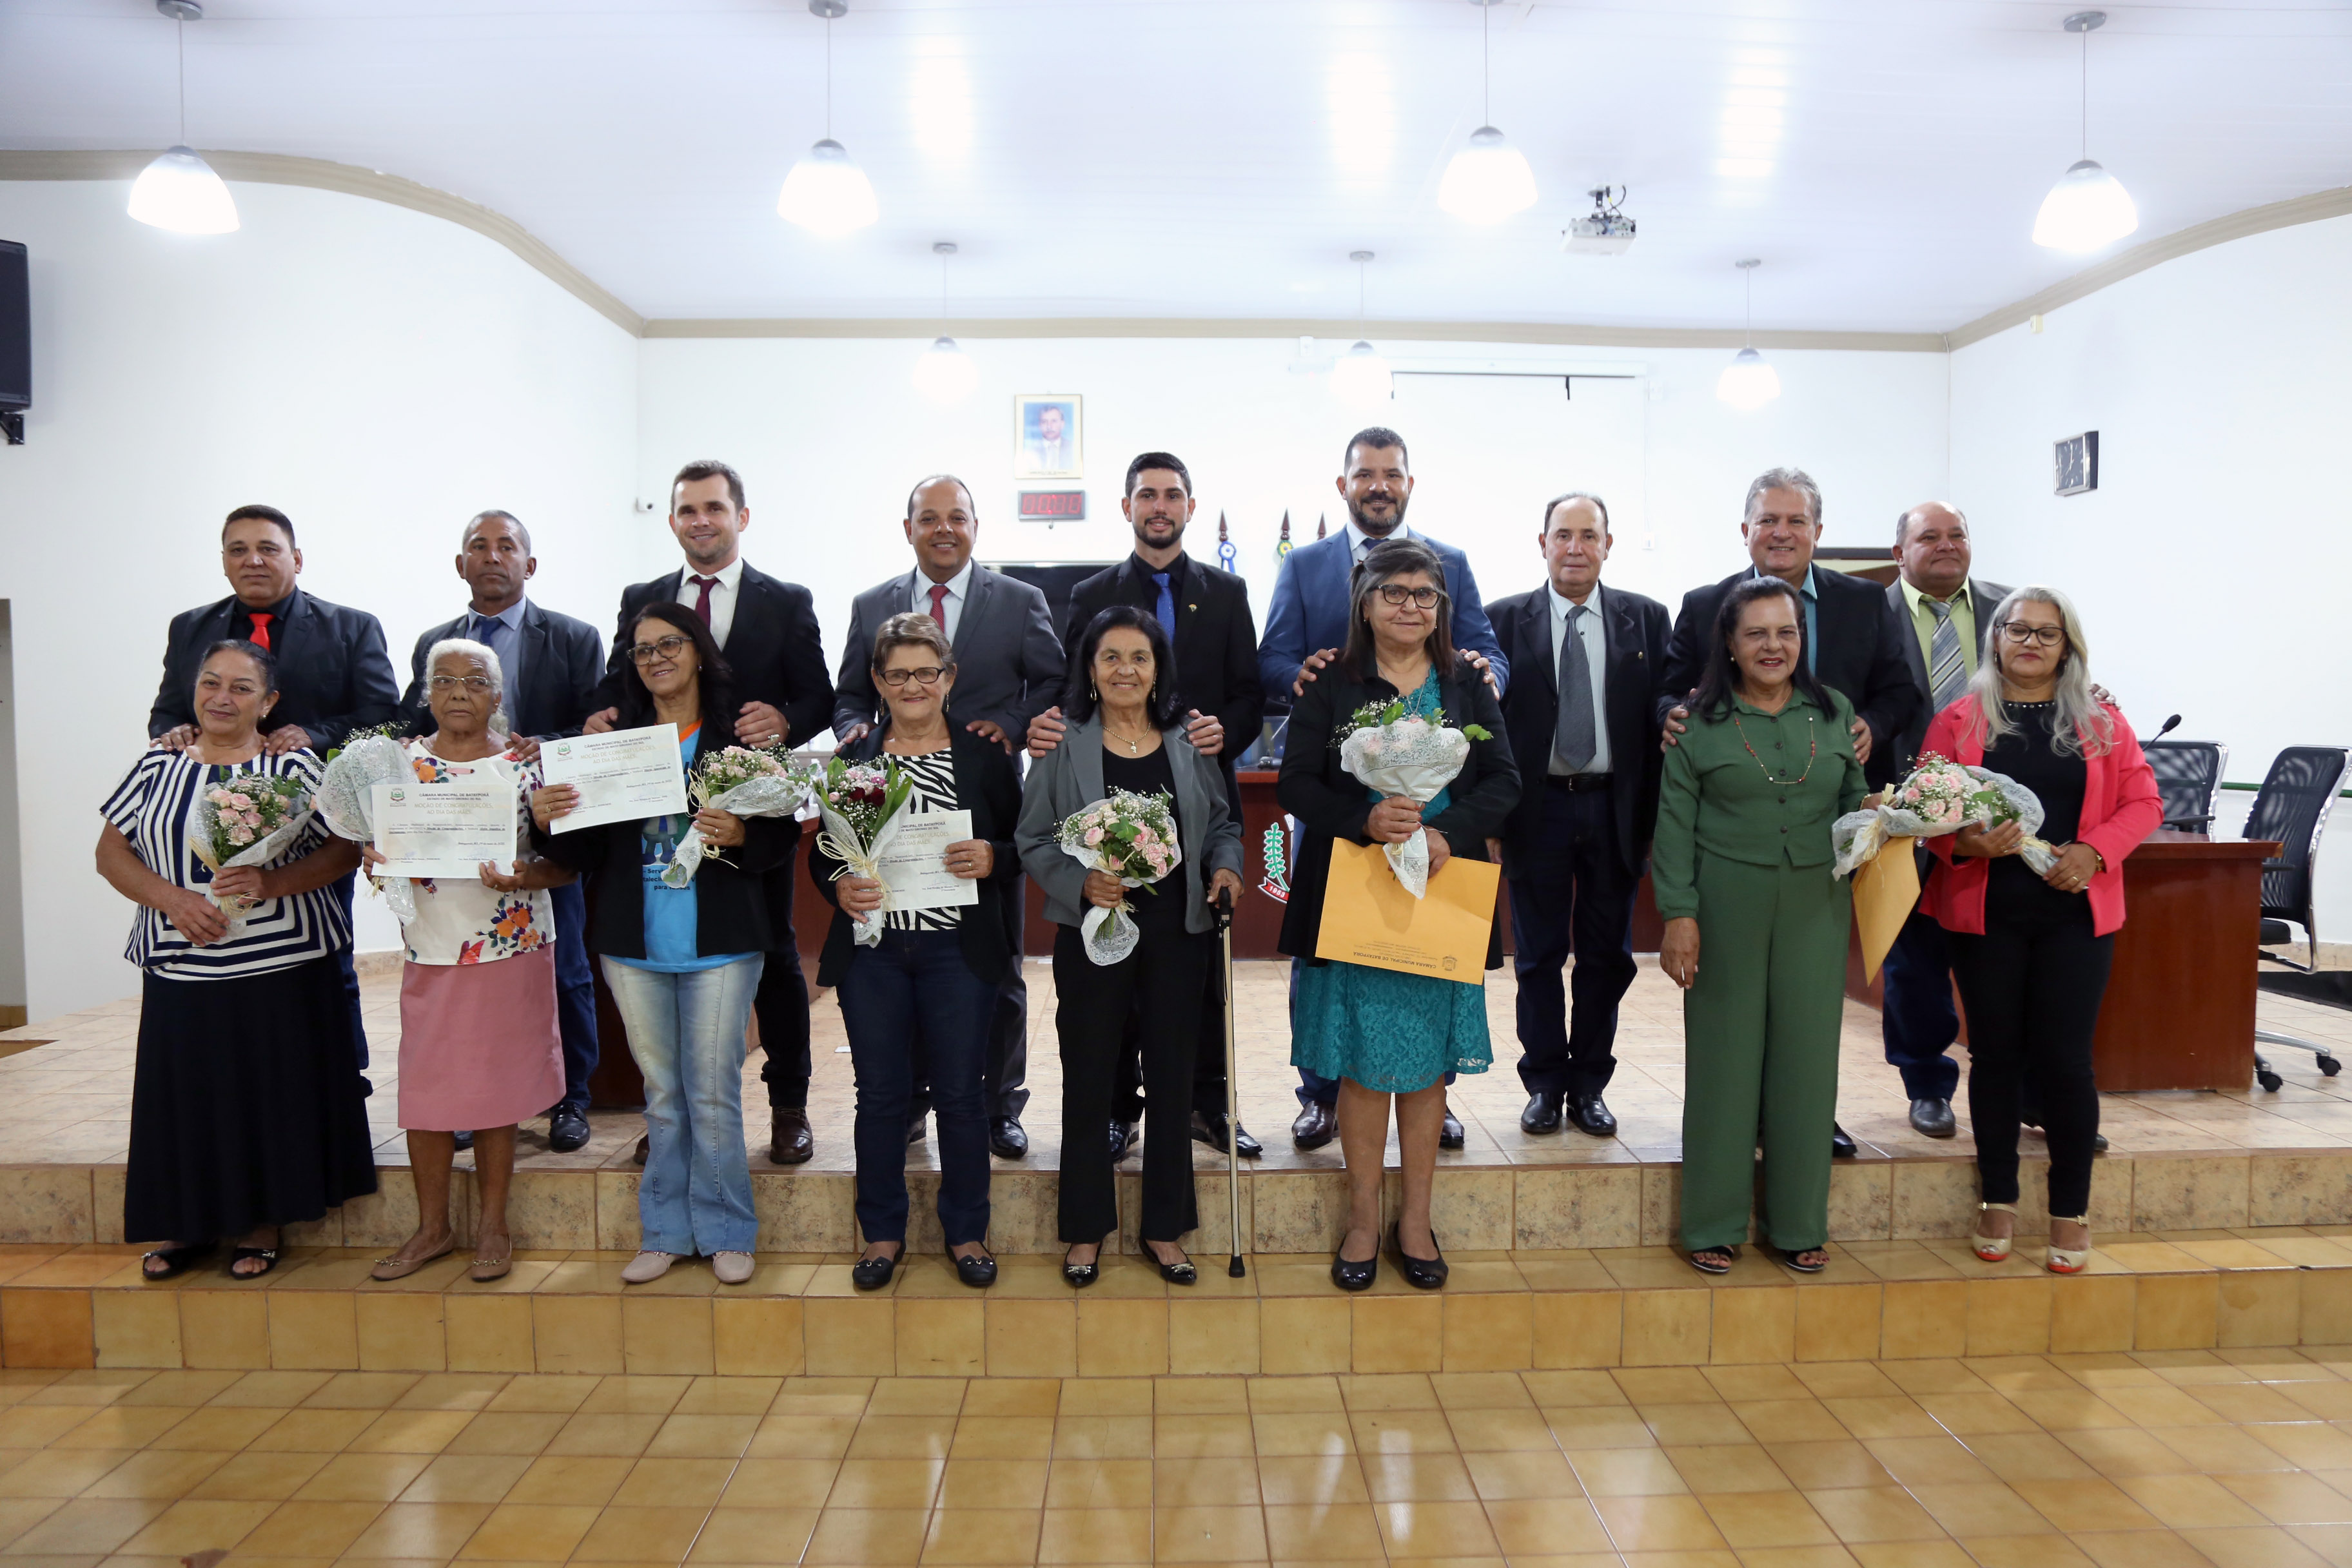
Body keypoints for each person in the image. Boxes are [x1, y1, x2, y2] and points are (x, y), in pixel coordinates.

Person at [1277, 540, 1518, 1292]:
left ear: (1441, 607)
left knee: (1424, 1070)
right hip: (1358, 888)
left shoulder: (1465, 682)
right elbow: (1295, 781)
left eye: (1425, 595)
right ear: (1365, 601)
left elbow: (1505, 780)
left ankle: (1415, 1219)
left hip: (1441, 891)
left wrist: (1449, 831)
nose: (1411, 606)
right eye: (1395, 592)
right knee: (1361, 1065)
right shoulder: (1333, 682)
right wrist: (1363, 817)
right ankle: (1361, 1218)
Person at [1259, 427, 1507, 1153]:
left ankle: (1431, 1085)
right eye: (1364, 473)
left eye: (1391, 473)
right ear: (1343, 485)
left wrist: (1485, 679)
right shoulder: (1305, 564)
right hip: (1346, 822)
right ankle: (1322, 1093)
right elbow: (1274, 657)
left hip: (1441, 834)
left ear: (1408, 483)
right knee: (1335, 960)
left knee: (1433, 962)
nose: (1378, 484)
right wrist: (1307, 678)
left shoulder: (1450, 563)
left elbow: (1485, 650)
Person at [98, 640, 377, 1279]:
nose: (222, 697)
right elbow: (110, 854)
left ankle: (262, 1220)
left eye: (241, 687)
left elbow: (343, 850)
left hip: (281, 968)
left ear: (268, 701)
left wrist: (271, 883)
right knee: (189, 1100)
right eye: (211, 683)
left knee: (266, 1098)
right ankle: (188, 1222)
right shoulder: (156, 764)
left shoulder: (294, 766)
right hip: (181, 964)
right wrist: (172, 900)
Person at [1658, 467, 1915, 1159]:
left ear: (1818, 532)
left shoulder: (1866, 601)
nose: (1781, 532)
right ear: (1745, 530)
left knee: (1806, 1028)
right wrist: (1675, 717)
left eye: (1796, 520)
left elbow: (1901, 691)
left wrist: (1869, 728)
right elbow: (1667, 690)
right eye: (1768, 520)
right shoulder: (1706, 603)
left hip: (1819, 842)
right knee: (1730, 1023)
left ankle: (1803, 1129)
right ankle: (1731, 1137)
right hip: (1733, 847)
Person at [536, 604, 797, 1285]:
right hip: (634, 942)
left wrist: (743, 835)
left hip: (721, 940)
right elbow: (585, 849)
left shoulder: (740, 735)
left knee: (711, 1090)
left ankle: (727, 1229)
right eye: (642, 649)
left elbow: (779, 835)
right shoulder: (612, 741)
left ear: (699, 651)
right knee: (662, 1092)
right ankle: (666, 1231)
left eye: (669, 644)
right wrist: (545, 819)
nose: (656, 658)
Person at [588, 461, 833, 1166]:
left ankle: (788, 1106)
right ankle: (671, 1115)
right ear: (672, 521)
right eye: (688, 509)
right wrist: (599, 718)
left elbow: (817, 695)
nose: (702, 520)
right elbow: (617, 684)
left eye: (714, 508)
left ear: (740, 517)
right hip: (654, 807)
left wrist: (784, 720)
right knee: (656, 956)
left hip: (751, 812)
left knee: (777, 951)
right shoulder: (642, 598)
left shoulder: (786, 600)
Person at [1028, 452, 1265, 1162]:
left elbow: (1248, 692)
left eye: (1172, 494)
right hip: (1109, 795)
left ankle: (1207, 1104)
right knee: (1113, 962)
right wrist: (1048, 728)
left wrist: (1223, 734)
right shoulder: (1092, 591)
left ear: (1190, 505)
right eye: (1146, 495)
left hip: (1195, 791)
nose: (1159, 506)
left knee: (1196, 972)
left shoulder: (1227, 590)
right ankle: (1115, 1111)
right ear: (1127, 505)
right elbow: (1071, 685)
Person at [1920, 587, 2160, 1275]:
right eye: (2018, 629)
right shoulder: (1958, 719)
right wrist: (1964, 843)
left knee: (2066, 1061)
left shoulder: (2102, 720)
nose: (2030, 642)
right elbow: (1923, 814)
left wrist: (2095, 851)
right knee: (1995, 1056)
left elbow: (2145, 801)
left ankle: (2070, 1210)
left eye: (2047, 633)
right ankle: (1997, 1197)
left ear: (2067, 647)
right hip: (1985, 914)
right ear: (1995, 638)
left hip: (2075, 915)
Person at [836, 476, 1065, 1160]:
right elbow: (849, 695)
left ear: (975, 526)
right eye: (929, 518)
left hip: (982, 799)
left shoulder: (1019, 600)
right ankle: (908, 1103)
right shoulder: (871, 603)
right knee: (899, 949)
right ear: (907, 527)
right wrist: (855, 734)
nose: (944, 529)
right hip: (892, 806)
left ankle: (998, 1104)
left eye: (956, 517)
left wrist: (1011, 725)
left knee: (995, 962)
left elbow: (1053, 680)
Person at [1015, 606, 1244, 1288]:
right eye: (1110, 657)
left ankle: (1165, 1226)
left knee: (1173, 1076)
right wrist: (1079, 882)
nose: (1125, 670)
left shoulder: (1189, 740)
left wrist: (1226, 867)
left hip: (1179, 933)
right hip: (1093, 932)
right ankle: (1086, 1226)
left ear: (1157, 668)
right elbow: (1033, 838)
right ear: (1090, 669)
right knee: (1090, 1074)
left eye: (1139, 657)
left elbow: (1222, 824)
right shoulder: (1062, 743)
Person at [1652, 577, 1867, 1276]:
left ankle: (1798, 1222)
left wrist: (1889, 818)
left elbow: (1854, 802)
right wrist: (1679, 914)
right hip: (1724, 905)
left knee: (1807, 1063)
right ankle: (1712, 1222)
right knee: (1725, 1061)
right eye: (1757, 634)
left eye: (1786, 632)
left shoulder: (1834, 711)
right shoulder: (1696, 721)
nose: (1774, 646)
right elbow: (1674, 826)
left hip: (1815, 907)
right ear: (1730, 643)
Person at [149, 504, 401, 1075]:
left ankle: (342, 1079)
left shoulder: (350, 627)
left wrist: (314, 735)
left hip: (317, 829)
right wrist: (175, 732)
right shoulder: (190, 628)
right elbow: (165, 713)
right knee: (223, 954)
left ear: (297, 558)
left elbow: (385, 720)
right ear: (223, 561)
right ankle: (232, 1078)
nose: (253, 560)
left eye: (267, 548)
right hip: (211, 827)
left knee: (325, 954)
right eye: (238, 550)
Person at [814, 615, 1023, 1292]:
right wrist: (839, 883)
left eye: (925, 672)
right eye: (897, 674)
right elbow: (826, 853)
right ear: (877, 681)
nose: (913, 686)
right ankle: (882, 1232)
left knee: (962, 1094)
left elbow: (1023, 844)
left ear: (948, 677)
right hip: (874, 951)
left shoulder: (985, 755)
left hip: (958, 949)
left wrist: (993, 856)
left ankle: (966, 1232)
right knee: (879, 1095)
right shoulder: (854, 757)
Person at [400, 510, 607, 1153]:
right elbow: (412, 723)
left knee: (565, 969)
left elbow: (596, 727)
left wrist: (542, 748)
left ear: (529, 563)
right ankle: (473, 1101)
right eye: (479, 546)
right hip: (452, 844)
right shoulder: (434, 642)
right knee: (464, 984)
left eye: (507, 546)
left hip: (541, 826)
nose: (493, 556)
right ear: (460, 563)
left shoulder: (573, 637)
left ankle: (570, 1097)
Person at [368, 641, 572, 1284]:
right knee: (425, 1090)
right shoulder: (398, 766)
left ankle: (492, 1226)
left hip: (511, 945)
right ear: (426, 692)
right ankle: (432, 1228)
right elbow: (373, 848)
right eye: (445, 680)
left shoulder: (527, 765)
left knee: (496, 1090)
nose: (459, 691)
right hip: (430, 947)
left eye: (475, 680)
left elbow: (570, 866)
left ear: (498, 695)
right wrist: (375, 859)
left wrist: (525, 875)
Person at [1488, 493, 1672, 1139]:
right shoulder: (1502, 619)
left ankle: (1590, 1084)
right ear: (1542, 543)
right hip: (1534, 809)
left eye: (1588, 535)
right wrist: (1491, 818)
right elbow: (1487, 725)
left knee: (1607, 957)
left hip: (1613, 807)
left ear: (1607, 544)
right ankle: (1543, 1083)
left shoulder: (1645, 619)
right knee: (1538, 956)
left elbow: (1661, 719)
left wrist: (1654, 824)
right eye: (1562, 534)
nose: (1575, 547)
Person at [1877, 503, 2012, 1141]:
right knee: (1916, 966)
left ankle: (2023, 1089)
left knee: (2009, 966)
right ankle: (1927, 1084)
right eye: (1928, 536)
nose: (1946, 545)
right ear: (1899, 552)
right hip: (1904, 816)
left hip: (1997, 817)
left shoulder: (2010, 608)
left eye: (1957, 534)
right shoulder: (1869, 614)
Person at [1019, 402, 1077, 474]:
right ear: (1040, 425)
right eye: (1044, 422)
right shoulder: (1030, 450)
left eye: (1054, 421)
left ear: (1062, 424)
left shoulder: (1073, 448)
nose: (1049, 426)